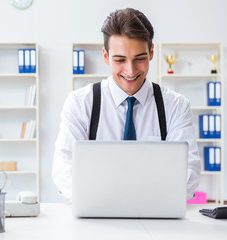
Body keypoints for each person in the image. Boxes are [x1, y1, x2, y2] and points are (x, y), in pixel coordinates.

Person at [52, 8, 201, 201]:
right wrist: (105, 199)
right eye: (120, 60)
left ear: (151, 53)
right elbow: (64, 169)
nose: (130, 71)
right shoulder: (81, 104)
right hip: (98, 213)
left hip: (157, 213)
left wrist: (144, 199)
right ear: (105, 57)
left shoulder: (175, 106)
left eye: (139, 59)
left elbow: (189, 168)